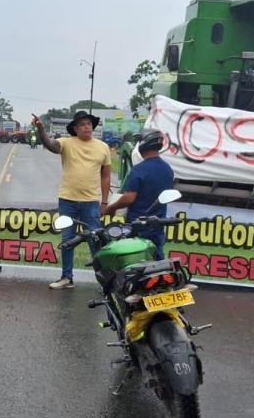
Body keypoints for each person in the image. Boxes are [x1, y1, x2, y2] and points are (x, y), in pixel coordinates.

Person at [32, 110, 111, 290]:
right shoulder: (66, 143)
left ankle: (105, 281)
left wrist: (104, 202)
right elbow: (50, 144)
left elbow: (106, 176)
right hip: (67, 200)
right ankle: (67, 277)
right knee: (68, 239)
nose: (87, 127)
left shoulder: (103, 147)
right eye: (83, 124)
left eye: (89, 124)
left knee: (95, 240)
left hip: (91, 201)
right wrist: (41, 129)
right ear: (75, 128)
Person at [102, 129, 174, 260]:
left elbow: (129, 198)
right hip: (158, 224)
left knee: (135, 261)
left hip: (138, 225)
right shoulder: (168, 169)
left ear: (144, 144)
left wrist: (111, 208)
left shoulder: (139, 169)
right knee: (157, 260)